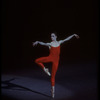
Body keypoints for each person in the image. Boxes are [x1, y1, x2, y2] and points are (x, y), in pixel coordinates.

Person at [32, 32, 79, 98]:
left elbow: (66, 39)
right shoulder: (50, 44)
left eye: (53, 36)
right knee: (37, 60)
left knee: (53, 76)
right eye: (51, 36)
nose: (52, 37)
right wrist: (37, 41)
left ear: (56, 36)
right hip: (50, 58)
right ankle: (45, 69)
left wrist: (73, 35)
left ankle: (53, 91)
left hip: (56, 61)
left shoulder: (59, 42)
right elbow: (43, 43)